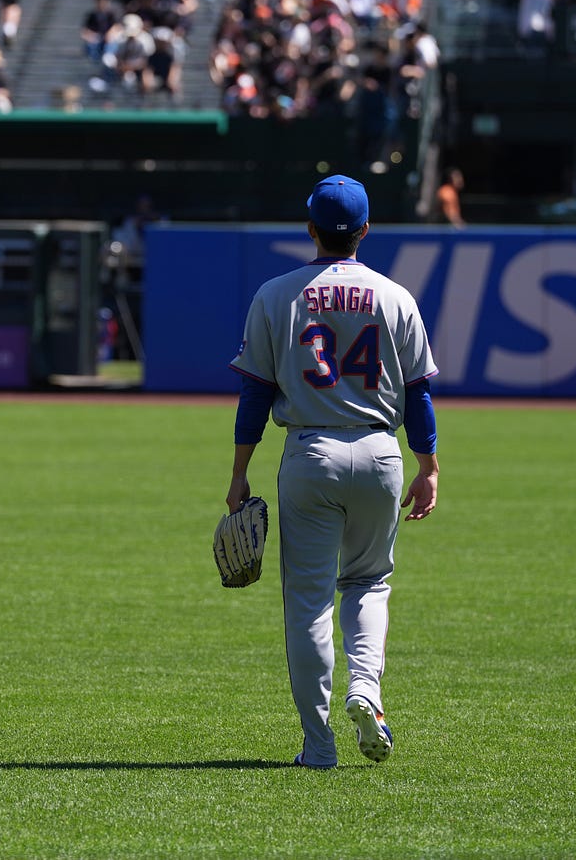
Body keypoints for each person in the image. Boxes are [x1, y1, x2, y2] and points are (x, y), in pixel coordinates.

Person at [226, 174, 440, 769]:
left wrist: (240, 473)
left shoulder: (276, 294)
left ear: (310, 228)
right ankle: (365, 688)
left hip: (310, 452)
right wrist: (429, 466)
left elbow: (255, 394)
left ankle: (319, 746)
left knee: (309, 603)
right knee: (368, 582)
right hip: (379, 452)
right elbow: (418, 395)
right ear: (365, 230)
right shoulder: (395, 296)